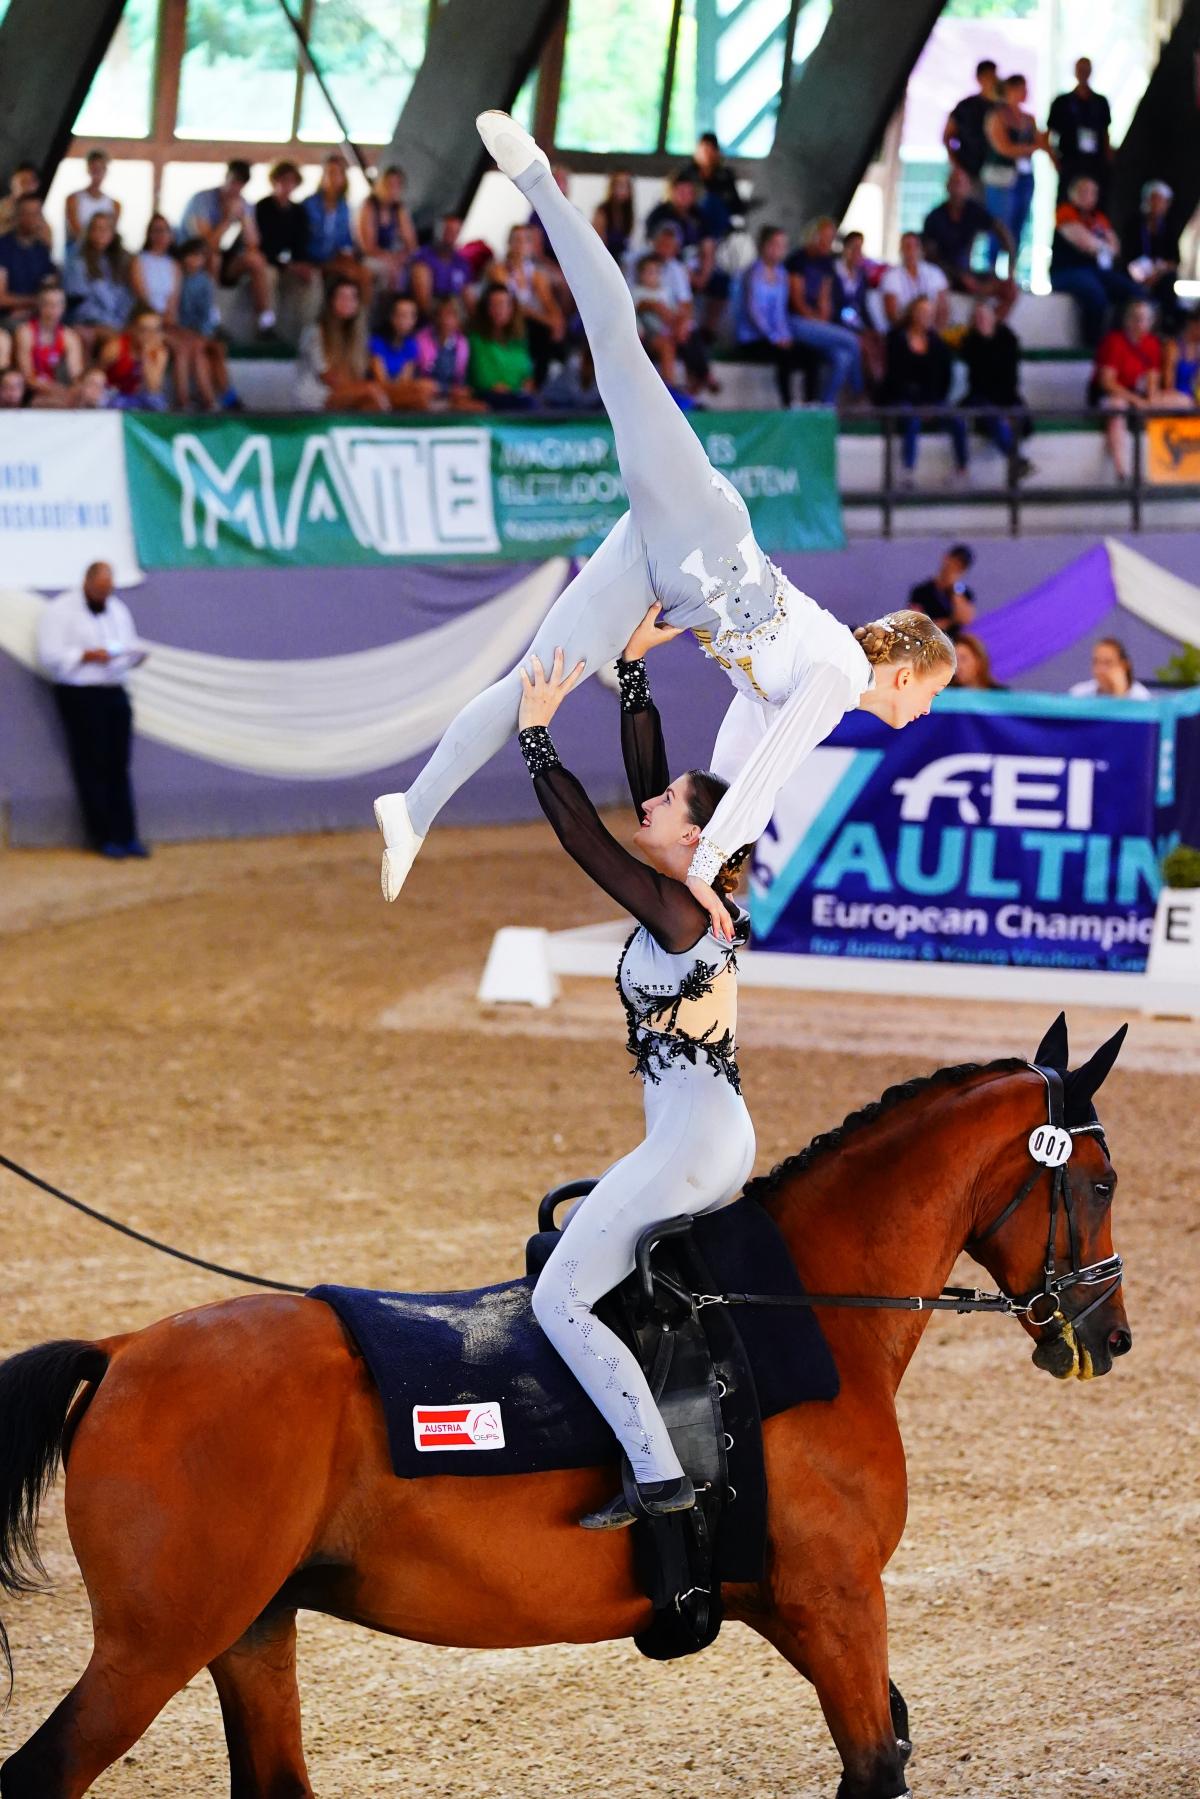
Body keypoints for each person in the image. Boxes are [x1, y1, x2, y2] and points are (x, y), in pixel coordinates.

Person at [374, 111, 958, 925]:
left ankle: (412, 809)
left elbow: (739, 780)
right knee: (619, 349)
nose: (926, 709)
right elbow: (765, 775)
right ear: (903, 672)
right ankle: (537, 177)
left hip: (666, 575)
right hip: (702, 531)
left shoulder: (801, 686)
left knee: (533, 688)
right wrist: (707, 869)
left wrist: (708, 858)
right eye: (930, 693)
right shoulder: (837, 679)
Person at [518, 627, 754, 1528]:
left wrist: (535, 733)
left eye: (666, 803)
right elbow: (647, 774)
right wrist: (631, 671)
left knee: (559, 1295)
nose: (646, 802)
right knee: (615, 1283)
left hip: (693, 1141)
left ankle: (658, 1474)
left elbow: (587, 840)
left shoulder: (681, 915)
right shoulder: (687, 901)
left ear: (693, 834)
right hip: (704, 1134)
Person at [34, 561, 149, 858]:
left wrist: (133, 655)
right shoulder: (60, 610)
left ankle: (127, 835)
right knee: (92, 765)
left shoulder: (118, 610)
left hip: (115, 690)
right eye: (99, 590)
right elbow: (49, 655)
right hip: (80, 694)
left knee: (119, 765)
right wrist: (85, 655)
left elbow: (128, 645)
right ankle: (102, 836)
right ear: (86, 583)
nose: (103, 596)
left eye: (107, 590)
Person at [1090, 299, 1186, 482]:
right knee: (1118, 408)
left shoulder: (1151, 343)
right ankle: (1122, 472)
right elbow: (1107, 382)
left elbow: (1152, 377)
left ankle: (1184, 468)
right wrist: (1137, 401)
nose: (1141, 323)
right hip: (1112, 394)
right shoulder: (1114, 341)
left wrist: (1151, 399)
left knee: (1183, 401)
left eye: (1146, 319)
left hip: (1138, 395)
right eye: (1136, 318)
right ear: (1127, 320)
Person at [182, 160, 275, 335]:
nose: (235, 188)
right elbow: (207, 245)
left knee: (256, 260)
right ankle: (212, 319)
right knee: (213, 258)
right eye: (233, 181)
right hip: (193, 256)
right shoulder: (202, 199)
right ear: (226, 178)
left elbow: (254, 245)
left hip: (225, 260)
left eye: (241, 183)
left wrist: (245, 220)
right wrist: (227, 218)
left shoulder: (244, 204)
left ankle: (266, 322)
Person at [883, 295, 967, 483]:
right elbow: (894, 378)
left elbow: (944, 379)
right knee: (911, 419)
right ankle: (908, 471)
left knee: (958, 420)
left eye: (929, 313)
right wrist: (918, 404)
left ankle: (962, 469)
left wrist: (930, 404)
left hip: (931, 400)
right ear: (913, 313)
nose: (925, 316)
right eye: (922, 312)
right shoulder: (897, 340)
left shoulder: (938, 344)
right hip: (903, 398)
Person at [1049, 176, 1139, 346]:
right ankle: (1091, 345)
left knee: (1132, 292)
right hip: (1066, 271)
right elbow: (1084, 243)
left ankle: (1117, 343)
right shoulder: (1065, 212)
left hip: (1096, 272)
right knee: (1096, 296)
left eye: (1092, 192)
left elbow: (1116, 248)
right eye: (1083, 191)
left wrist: (1101, 246)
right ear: (1072, 193)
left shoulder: (1099, 218)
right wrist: (1103, 245)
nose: (1088, 196)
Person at [785, 217, 863, 405]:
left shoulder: (827, 263)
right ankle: (859, 392)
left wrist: (822, 317)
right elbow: (797, 299)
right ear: (813, 237)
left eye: (831, 239)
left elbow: (824, 298)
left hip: (817, 323)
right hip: (796, 321)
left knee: (843, 358)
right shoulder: (798, 260)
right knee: (852, 341)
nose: (828, 243)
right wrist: (814, 319)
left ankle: (825, 406)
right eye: (824, 238)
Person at [923, 166, 1016, 322]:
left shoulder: (974, 211)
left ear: (969, 188)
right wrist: (960, 276)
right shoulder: (934, 217)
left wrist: (1011, 268)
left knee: (1010, 289)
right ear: (947, 186)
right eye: (955, 183)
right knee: (938, 288)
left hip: (969, 272)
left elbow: (1003, 233)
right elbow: (930, 257)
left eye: (961, 183)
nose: (958, 188)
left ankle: (986, 329)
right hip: (943, 274)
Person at [732, 225, 807, 407]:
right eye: (775, 244)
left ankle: (812, 403)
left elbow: (780, 312)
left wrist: (785, 336)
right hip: (752, 338)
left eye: (782, 246)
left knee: (808, 354)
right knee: (784, 355)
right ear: (764, 246)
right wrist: (774, 337)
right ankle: (788, 404)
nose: (778, 250)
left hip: (775, 337)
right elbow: (754, 313)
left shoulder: (782, 273)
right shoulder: (752, 273)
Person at [981, 74, 1048, 270]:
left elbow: (1041, 142)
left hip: (1024, 177)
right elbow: (1004, 148)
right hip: (1001, 178)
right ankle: (991, 270)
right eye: (1021, 89)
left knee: (1019, 224)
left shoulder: (1028, 119)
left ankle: (1012, 271)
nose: (1025, 93)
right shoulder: (997, 117)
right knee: (999, 224)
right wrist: (1030, 148)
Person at [960, 298, 1033, 473]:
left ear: (994, 318)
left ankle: (1015, 462)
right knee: (993, 415)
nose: (981, 321)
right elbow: (978, 380)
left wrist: (1005, 405)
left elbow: (1011, 377)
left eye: (985, 317)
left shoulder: (1008, 340)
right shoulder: (971, 342)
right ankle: (1015, 460)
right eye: (978, 317)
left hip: (1006, 395)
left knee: (1016, 416)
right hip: (980, 396)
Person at [295, 276, 388, 413]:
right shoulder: (314, 333)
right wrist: (362, 388)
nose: (348, 302)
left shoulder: (358, 336)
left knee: (412, 392)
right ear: (331, 301)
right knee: (371, 393)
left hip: (348, 391)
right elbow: (326, 377)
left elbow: (361, 371)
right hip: (317, 395)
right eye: (342, 297)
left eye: (352, 298)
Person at [491, 221, 564, 383]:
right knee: (537, 328)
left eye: (525, 240)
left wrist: (555, 321)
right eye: (517, 240)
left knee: (548, 331)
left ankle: (543, 378)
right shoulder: (500, 270)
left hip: (527, 321)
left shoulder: (534, 274)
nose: (520, 245)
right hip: (508, 318)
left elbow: (550, 306)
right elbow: (513, 306)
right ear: (509, 243)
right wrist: (546, 320)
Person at [254, 160, 318, 334]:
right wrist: (285, 263)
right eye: (283, 180)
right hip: (267, 262)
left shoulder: (298, 212)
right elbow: (262, 246)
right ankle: (267, 326)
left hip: (288, 263)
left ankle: (306, 328)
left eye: (291, 181)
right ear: (274, 181)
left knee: (312, 277)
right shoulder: (262, 207)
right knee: (269, 275)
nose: (287, 185)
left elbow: (301, 244)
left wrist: (301, 264)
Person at [176, 237, 238, 408]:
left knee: (217, 350)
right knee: (200, 353)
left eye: (199, 256)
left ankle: (228, 394)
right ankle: (208, 400)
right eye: (192, 255)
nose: (195, 260)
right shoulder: (178, 279)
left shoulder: (205, 281)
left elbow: (207, 313)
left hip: (202, 330)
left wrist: (203, 333)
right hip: (184, 330)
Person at [303, 152, 370, 301]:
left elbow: (346, 240)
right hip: (312, 259)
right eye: (330, 173)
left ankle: (360, 315)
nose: (334, 178)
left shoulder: (344, 208)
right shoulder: (308, 205)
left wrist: (347, 252)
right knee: (347, 274)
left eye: (339, 173)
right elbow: (301, 239)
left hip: (334, 258)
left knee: (364, 274)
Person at [1047, 58, 1111, 202]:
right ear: (1075, 72)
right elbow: (1048, 134)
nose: (1083, 73)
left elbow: (1105, 132)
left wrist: (1107, 159)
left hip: (1094, 162)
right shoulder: (1062, 102)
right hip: (1070, 161)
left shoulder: (1100, 102)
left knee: (1094, 198)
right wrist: (1054, 159)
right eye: (1080, 70)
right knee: (1067, 199)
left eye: (1086, 70)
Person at [467, 281, 537, 410]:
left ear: (512, 309)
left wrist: (525, 388)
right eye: (494, 305)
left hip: (518, 399)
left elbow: (528, 375)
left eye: (504, 304)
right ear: (486, 309)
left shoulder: (519, 341)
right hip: (489, 400)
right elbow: (483, 378)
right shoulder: (476, 340)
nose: (499, 310)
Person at [15, 277, 83, 406]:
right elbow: (27, 376)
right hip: (31, 392)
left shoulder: (69, 337)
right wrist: (56, 390)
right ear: (40, 306)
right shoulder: (26, 332)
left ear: (63, 307)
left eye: (58, 304)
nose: (54, 310)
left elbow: (76, 375)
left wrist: (75, 390)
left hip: (59, 391)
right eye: (49, 304)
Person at [63, 211, 133, 336]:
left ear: (113, 233)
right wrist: (106, 323)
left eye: (105, 229)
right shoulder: (77, 262)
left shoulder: (120, 261)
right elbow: (78, 302)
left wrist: (120, 322)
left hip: (118, 322)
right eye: (96, 229)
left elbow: (126, 299)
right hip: (89, 322)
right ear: (89, 232)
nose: (101, 233)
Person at [1122, 181, 1180, 325]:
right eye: (1153, 199)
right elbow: (1126, 257)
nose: (1156, 204)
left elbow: (1175, 260)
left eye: (1161, 201)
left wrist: (1158, 272)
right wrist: (1141, 275)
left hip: (1160, 275)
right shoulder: (1134, 223)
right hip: (1135, 274)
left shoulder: (1169, 226)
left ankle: (1167, 325)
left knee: (1168, 285)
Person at [413, 295, 484, 410]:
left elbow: (460, 379)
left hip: (450, 393)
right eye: (443, 314)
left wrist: (456, 391)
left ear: (458, 319)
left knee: (477, 405)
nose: (446, 319)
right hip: (426, 391)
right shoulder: (422, 338)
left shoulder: (462, 343)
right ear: (436, 315)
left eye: (452, 314)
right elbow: (420, 376)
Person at [369, 294, 435, 409]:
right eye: (403, 315)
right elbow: (380, 380)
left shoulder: (412, 345)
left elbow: (405, 380)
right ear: (392, 317)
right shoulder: (377, 342)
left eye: (412, 316)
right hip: (379, 392)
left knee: (428, 387)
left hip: (399, 393)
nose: (407, 321)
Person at [358, 165, 417, 293]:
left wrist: (401, 257)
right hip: (372, 257)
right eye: (390, 184)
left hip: (394, 256)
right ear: (381, 184)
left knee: (415, 268)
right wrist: (390, 259)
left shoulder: (399, 209)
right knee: (388, 271)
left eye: (398, 185)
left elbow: (411, 244)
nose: (393, 189)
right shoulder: (370, 206)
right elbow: (368, 247)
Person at [99, 306, 171, 410]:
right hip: (114, 395)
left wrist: (145, 355)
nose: (150, 335)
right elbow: (98, 375)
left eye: (155, 330)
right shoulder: (115, 347)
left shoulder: (159, 352)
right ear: (133, 329)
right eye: (145, 330)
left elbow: (153, 387)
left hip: (138, 397)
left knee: (157, 402)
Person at [677, 131, 744, 241]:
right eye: (704, 150)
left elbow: (736, 205)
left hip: (719, 224)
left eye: (711, 150)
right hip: (692, 223)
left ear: (717, 153)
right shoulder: (686, 174)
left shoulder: (725, 176)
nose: (707, 154)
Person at [944, 60, 1002, 185]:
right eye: (988, 76)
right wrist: (956, 166)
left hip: (997, 174)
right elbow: (947, 136)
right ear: (979, 78)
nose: (993, 81)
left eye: (994, 76)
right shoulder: (966, 106)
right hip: (970, 171)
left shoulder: (1002, 108)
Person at [0, 193, 57, 317]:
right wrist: (35, 301)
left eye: (37, 213)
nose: (33, 219)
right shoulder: (3, 247)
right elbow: (1, 298)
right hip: (8, 317)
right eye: (27, 213)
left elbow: (49, 290)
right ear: (17, 216)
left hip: (38, 316)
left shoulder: (42, 249)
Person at [880, 231, 949, 331]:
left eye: (915, 246)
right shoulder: (891, 276)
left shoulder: (935, 273)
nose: (911, 250)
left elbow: (943, 310)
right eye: (907, 246)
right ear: (901, 249)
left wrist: (935, 334)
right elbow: (892, 315)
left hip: (931, 332)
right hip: (903, 332)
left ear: (921, 249)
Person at [409, 214, 473, 314]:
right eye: (448, 231)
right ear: (438, 231)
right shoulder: (423, 257)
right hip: (430, 317)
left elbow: (469, 299)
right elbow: (423, 303)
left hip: (454, 315)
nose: (451, 237)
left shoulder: (462, 263)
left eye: (456, 232)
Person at [908, 545, 976, 633]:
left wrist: (954, 588)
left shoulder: (963, 593)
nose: (956, 567)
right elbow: (914, 622)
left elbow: (965, 619)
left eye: (961, 566)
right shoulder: (921, 591)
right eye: (955, 562)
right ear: (946, 558)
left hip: (953, 639)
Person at [65, 148, 121, 245]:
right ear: (88, 169)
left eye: (101, 169)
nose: (97, 174)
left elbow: (111, 234)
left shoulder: (115, 204)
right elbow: (75, 230)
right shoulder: (73, 199)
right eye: (94, 169)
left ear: (105, 170)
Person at [1069, 637, 1150, 699]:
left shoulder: (1140, 697)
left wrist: (1120, 692)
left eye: (1108, 663)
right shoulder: (1079, 694)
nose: (1100, 669)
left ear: (1124, 666)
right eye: (1096, 662)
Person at [593, 170, 636, 263]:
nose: (623, 189)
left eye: (626, 185)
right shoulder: (603, 211)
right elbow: (597, 244)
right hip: (605, 260)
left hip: (622, 260)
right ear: (612, 187)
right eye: (620, 184)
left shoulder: (628, 212)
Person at [0, 162, 50, 241]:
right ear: (12, 183)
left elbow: (47, 241)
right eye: (23, 181)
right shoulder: (2, 209)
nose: (27, 186)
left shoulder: (42, 214)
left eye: (31, 182)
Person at [1165, 312, 1200, 405]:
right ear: (1192, 324)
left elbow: (1197, 384)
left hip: (1194, 400)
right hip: (1176, 398)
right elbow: (1168, 386)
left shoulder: (1198, 350)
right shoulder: (1173, 347)